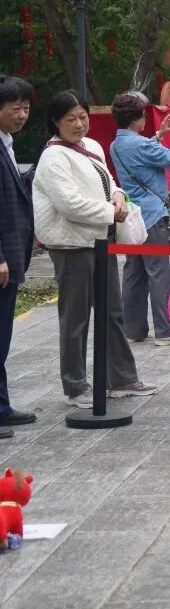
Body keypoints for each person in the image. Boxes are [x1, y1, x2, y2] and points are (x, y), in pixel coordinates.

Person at [33, 90, 157, 407]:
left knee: (111, 312)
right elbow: (69, 204)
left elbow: (107, 181)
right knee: (75, 319)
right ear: (55, 123)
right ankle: (75, 386)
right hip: (71, 245)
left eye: (82, 117)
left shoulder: (92, 146)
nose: (78, 124)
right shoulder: (53, 158)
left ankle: (123, 378)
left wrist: (117, 195)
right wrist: (109, 211)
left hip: (102, 242)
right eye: (70, 119)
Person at [109, 91, 170, 346]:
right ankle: (164, 331)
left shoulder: (116, 144)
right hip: (153, 215)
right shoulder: (142, 145)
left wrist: (159, 136)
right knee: (158, 272)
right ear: (137, 119)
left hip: (132, 216)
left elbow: (144, 151)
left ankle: (133, 328)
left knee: (134, 271)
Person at [0, 75, 38, 437]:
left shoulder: (7, 144)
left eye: (26, 108)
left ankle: (2, 406)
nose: (22, 115)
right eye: (15, 108)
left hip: (13, 256)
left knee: (3, 336)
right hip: (1, 260)